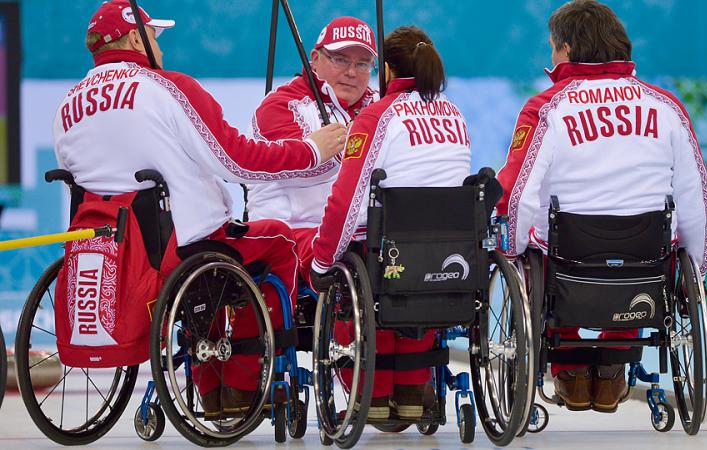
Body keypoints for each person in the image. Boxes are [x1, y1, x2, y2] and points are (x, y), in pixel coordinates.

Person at [53, 1, 346, 418]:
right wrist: (312, 149)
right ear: (136, 38)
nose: (160, 46)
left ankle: (211, 389)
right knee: (278, 240)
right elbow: (237, 160)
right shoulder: (166, 88)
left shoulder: (68, 106)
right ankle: (245, 382)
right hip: (184, 242)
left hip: (114, 250)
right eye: (154, 36)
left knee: (205, 282)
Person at [496, 0, 707, 413]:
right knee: (648, 254)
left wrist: (509, 250)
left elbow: (519, 192)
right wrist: (696, 272)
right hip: (646, 263)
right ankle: (615, 368)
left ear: (566, 47)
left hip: (565, 263)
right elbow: (695, 199)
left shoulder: (547, 107)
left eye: (552, 46)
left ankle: (571, 374)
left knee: (532, 249)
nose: (551, 55)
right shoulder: (667, 108)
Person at [310, 26, 471, 421]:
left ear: (385, 70)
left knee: (365, 256)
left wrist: (322, 260)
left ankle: (376, 396)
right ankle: (414, 392)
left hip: (388, 256)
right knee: (413, 269)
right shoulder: (455, 114)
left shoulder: (376, 116)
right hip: (449, 256)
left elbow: (346, 198)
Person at [246, 16, 378, 280]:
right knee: (352, 258)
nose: (351, 72)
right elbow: (296, 171)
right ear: (315, 58)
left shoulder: (378, 105)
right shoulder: (280, 105)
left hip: (359, 233)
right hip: (295, 233)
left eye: (362, 64)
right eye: (340, 59)